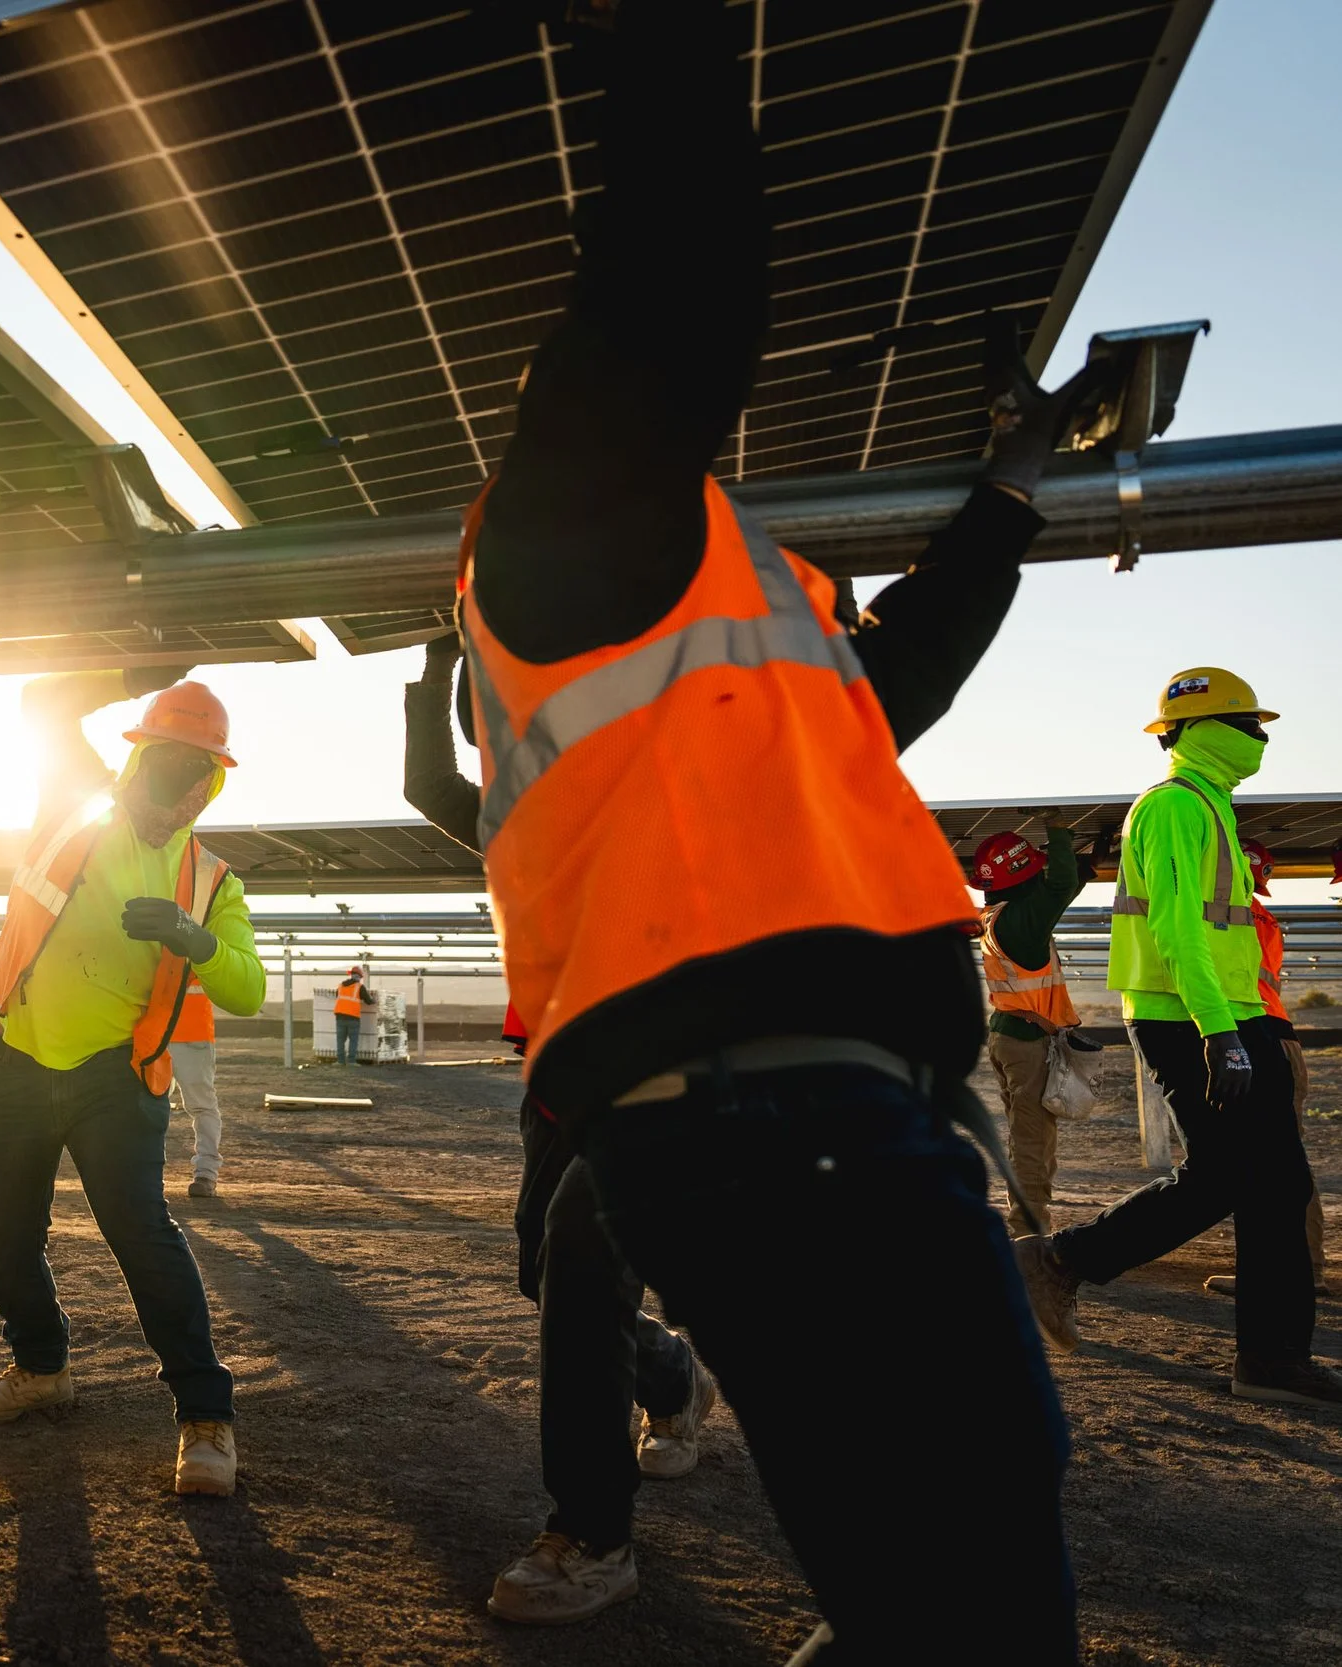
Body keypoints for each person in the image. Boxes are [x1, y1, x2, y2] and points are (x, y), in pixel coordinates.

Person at [453, 2, 1110, 1654]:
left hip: (814, 1117)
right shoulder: (567, 550)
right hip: (776, 1125)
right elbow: (673, 291)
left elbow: (904, 678)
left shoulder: (738, 618)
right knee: (976, 1574)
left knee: (960, 1545)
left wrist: (1010, 497)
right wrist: (661, 54)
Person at [405, 637, 716, 1625]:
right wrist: (439, 648)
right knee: (546, 1270)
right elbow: (426, 779)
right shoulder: (519, 823)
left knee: (583, 1252)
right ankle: (672, 1380)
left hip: (671, 1075)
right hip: (560, 1085)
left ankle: (589, 1533)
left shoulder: (673, 794)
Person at [0, 669, 261, 1498]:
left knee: (140, 1233)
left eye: (200, 779)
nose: (182, 794)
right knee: (4, 1234)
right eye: (170, 771)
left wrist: (196, 937)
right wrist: (134, 671)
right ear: (139, 760)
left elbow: (248, 987)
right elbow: (41, 706)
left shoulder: (210, 879)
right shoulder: (72, 811)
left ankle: (205, 1416)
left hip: (113, 1078)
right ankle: (41, 1366)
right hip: (14, 1056)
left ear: (212, 783)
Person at [1013, 672, 1338, 1410]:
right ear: (1199, 729)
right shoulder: (1172, 807)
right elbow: (1176, 927)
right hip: (1193, 1019)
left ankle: (1070, 1264)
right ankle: (1067, 1262)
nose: (1261, 737)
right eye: (1247, 723)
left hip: (1226, 1014)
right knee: (1260, 1181)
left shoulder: (1210, 806)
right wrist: (1221, 1035)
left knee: (1250, 1180)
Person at [1203, 839, 1330, 1298]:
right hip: (1277, 1036)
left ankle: (1296, 1272)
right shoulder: (1262, 916)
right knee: (1281, 1158)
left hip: (1257, 1037)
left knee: (1271, 1160)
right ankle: (1294, 1268)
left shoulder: (1228, 915)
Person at [971, 826, 1094, 1235]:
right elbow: (1058, 887)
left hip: (1013, 1035)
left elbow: (1055, 895)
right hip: (1028, 1041)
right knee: (1032, 1138)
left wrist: (1082, 867)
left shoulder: (1000, 916)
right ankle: (1028, 1230)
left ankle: (1029, 1220)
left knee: (1030, 1134)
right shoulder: (1021, 921)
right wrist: (1059, 832)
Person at [170, 978, 223, 1199]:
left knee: (202, 1106)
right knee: (148, 1107)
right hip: (152, 1035)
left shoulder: (201, 944)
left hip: (191, 1035)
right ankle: (146, 1176)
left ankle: (206, 1174)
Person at [333, 966, 369, 1063]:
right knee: (353, 1040)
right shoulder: (359, 987)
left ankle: (340, 1061)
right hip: (353, 1018)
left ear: (351, 974)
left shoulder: (340, 986)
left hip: (340, 1017)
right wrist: (375, 1001)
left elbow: (338, 997)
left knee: (340, 1040)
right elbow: (368, 1000)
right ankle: (351, 1061)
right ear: (359, 976)